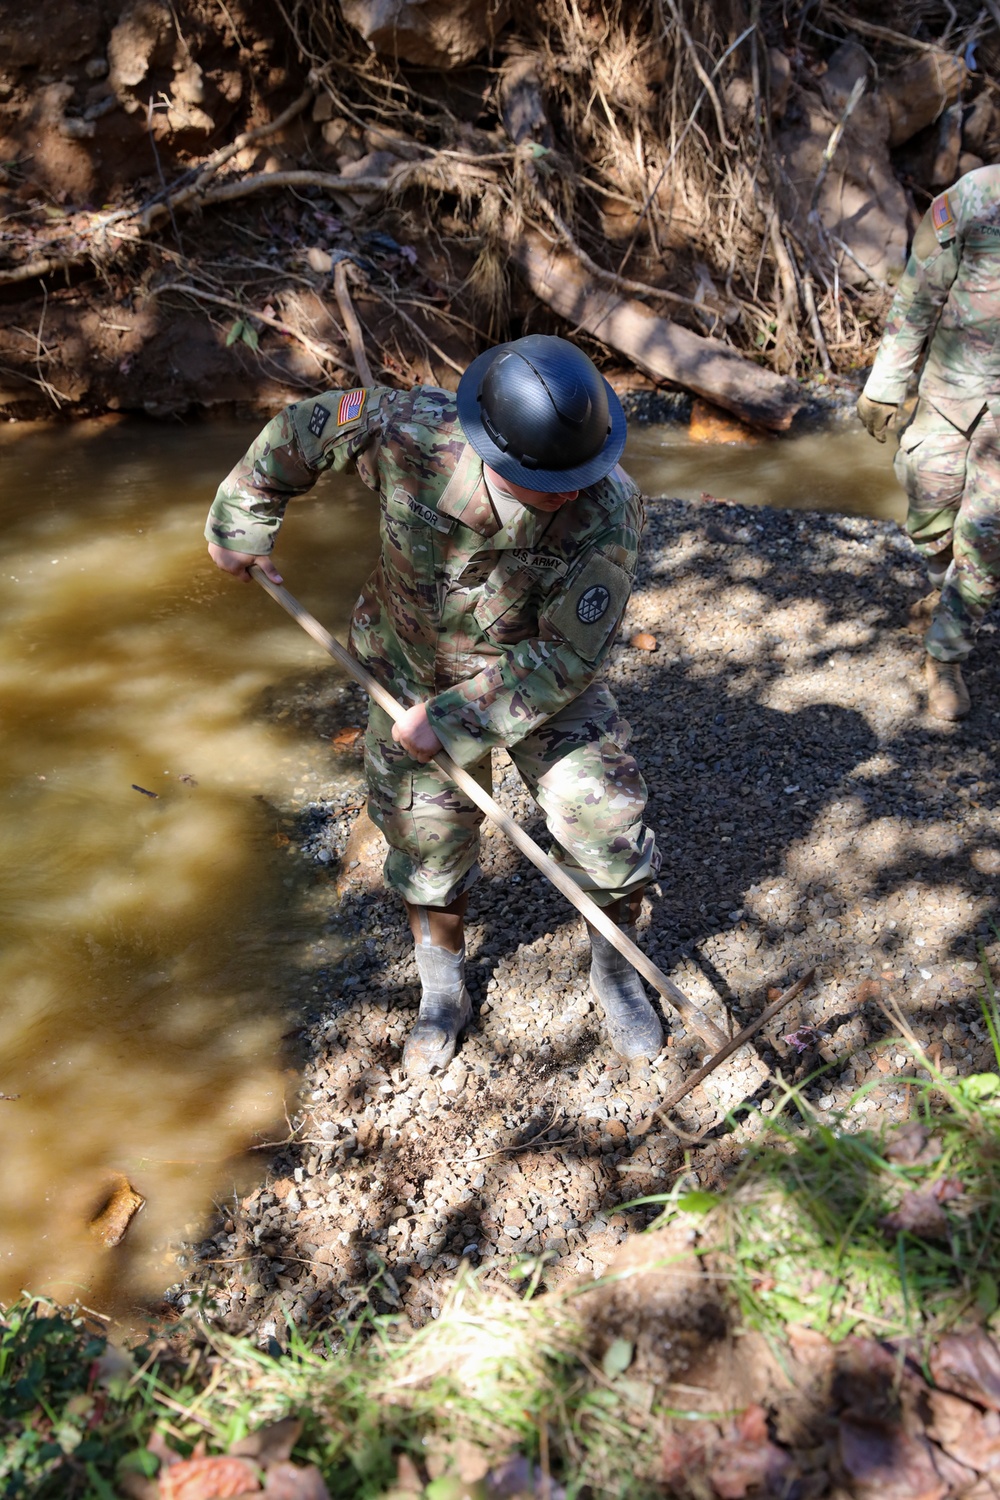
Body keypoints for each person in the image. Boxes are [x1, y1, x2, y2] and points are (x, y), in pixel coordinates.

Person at [205, 334, 663, 1077]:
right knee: (425, 847)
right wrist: (242, 520)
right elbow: (302, 431)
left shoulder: (609, 511)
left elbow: (571, 654)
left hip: (534, 679)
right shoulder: (407, 432)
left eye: (584, 473)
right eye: (549, 483)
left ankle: (615, 969)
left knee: (609, 829)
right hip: (405, 666)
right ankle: (442, 991)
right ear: (491, 450)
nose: (572, 492)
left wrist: (454, 721)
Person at [857, 163, 1000, 721]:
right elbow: (919, 294)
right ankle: (945, 586)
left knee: (987, 534)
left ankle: (945, 656)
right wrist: (885, 385)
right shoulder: (975, 197)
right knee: (929, 509)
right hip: (949, 397)